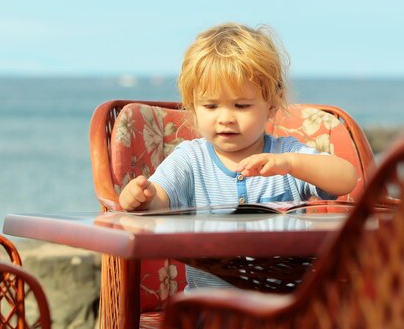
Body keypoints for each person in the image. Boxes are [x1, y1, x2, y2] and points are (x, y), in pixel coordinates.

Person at [119, 22, 358, 288]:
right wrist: (143, 199)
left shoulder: (286, 154)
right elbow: (160, 202)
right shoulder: (190, 159)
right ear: (193, 106)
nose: (226, 118)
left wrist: (292, 164)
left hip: (283, 308)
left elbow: (346, 178)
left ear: (272, 104)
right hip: (211, 309)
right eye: (210, 106)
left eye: (241, 105)